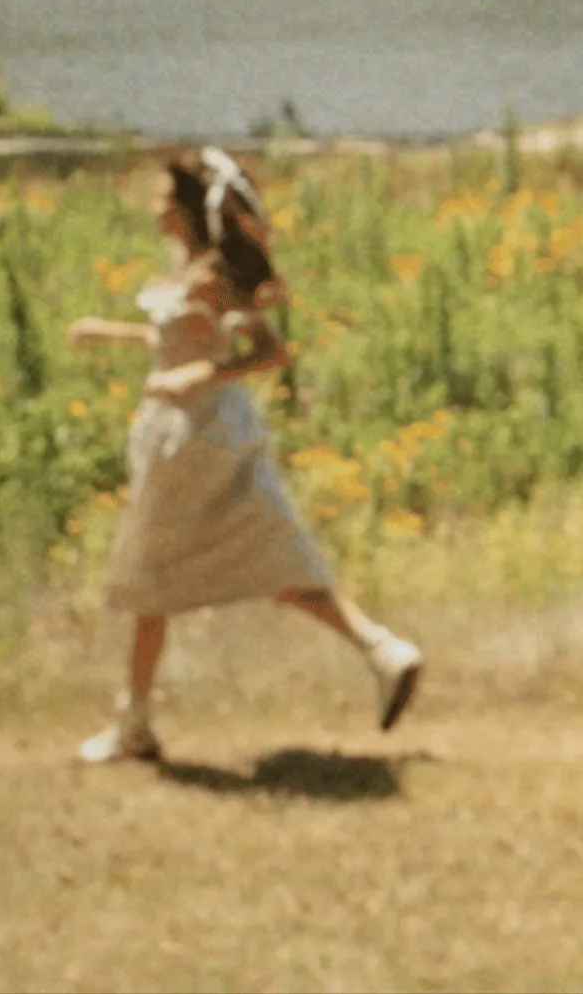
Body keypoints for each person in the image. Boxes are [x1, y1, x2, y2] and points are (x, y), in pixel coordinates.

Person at [68, 145, 423, 764]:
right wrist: (112, 332)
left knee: (152, 577)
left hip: (195, 435)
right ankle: (382, 650)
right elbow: (179, 335)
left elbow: (267, 351)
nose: (152, 208)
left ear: (183, 210)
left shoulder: (211, 274)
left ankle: (135, 724)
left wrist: (194, 379)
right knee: (271, 556)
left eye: (160, 198)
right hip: (208, 433)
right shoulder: (193, 270)